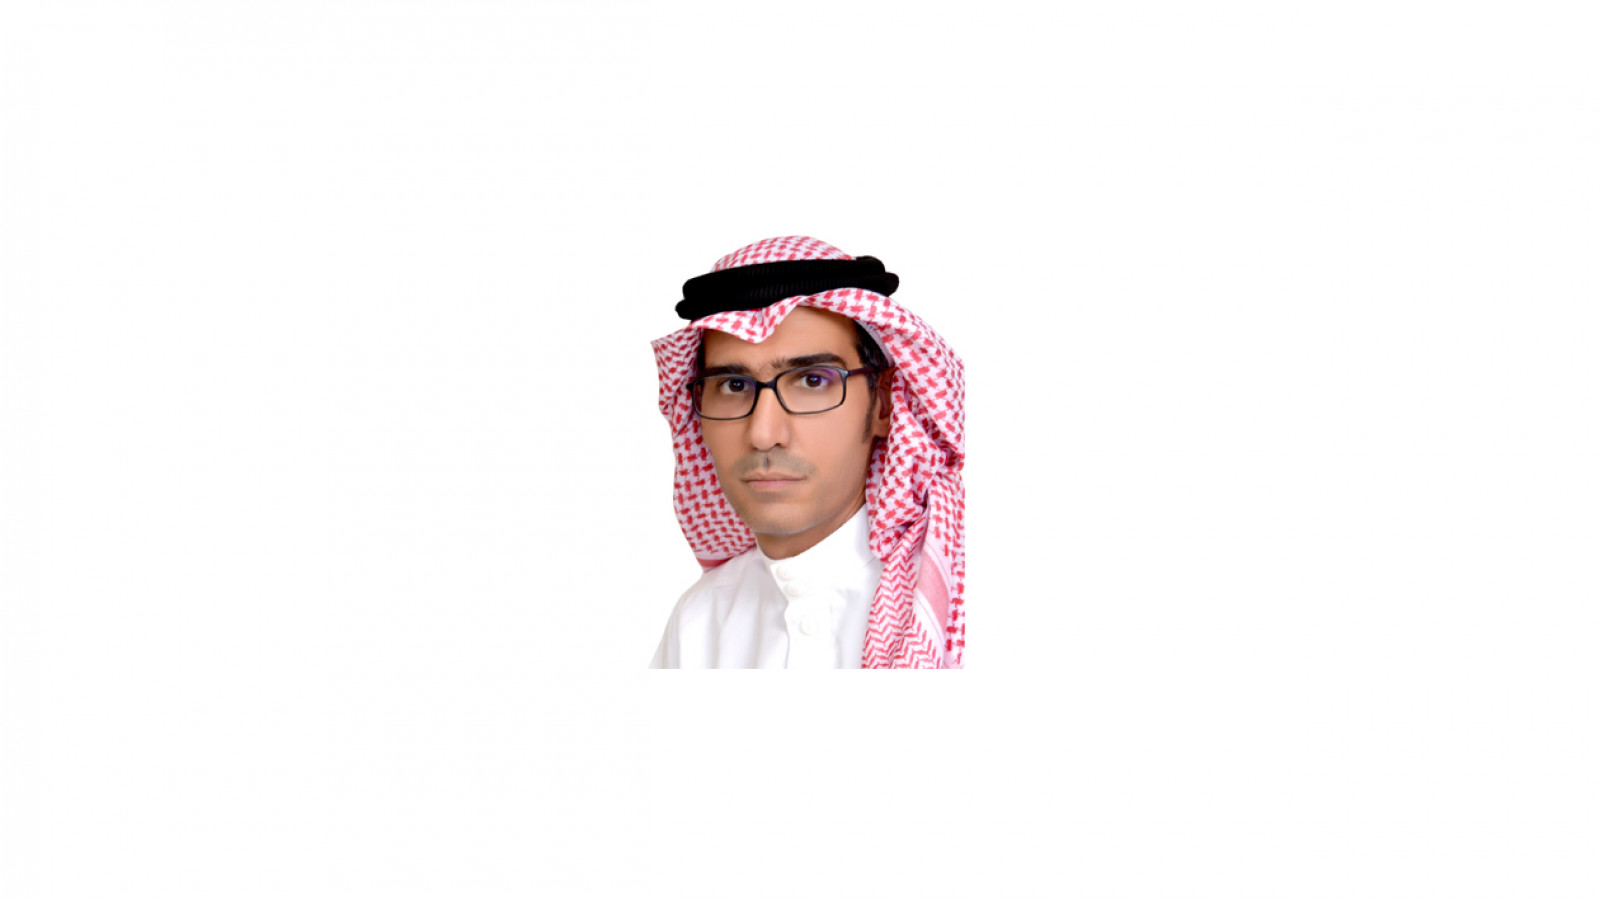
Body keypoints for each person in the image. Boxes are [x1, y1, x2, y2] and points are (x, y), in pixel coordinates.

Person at [648, 236, 966, 669]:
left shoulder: (963, 598)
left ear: (885, 404)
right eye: (733, 385)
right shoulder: (699, 622)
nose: (763, 434)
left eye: (812, 380)